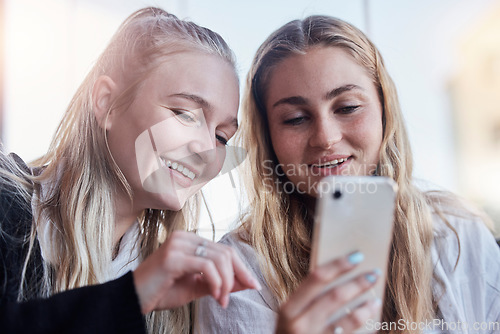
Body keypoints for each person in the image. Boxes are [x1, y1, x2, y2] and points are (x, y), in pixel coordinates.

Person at [195, 15, 500, 333]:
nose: (325, 138)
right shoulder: (239, 271)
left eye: (348, 107)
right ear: (268, 136)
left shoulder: (457, 235)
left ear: (384, 111)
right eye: (296, 118)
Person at [0, 7, 260, 334]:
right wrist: (132, 296)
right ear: (107, 103)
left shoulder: (179, 292)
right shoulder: (6, 205)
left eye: (222, 137)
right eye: (184, 114)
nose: (207, 149)